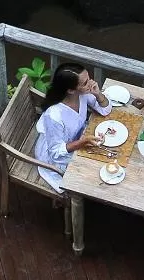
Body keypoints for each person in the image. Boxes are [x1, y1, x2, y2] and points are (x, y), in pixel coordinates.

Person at [34, 62, 111, 193]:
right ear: (70, 90)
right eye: (85, 82)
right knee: (99, 169)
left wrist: (98, 94)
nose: (91, 83)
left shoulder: (83, 94)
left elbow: (105, 110)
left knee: (107, 154)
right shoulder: (54, 116)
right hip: (56, 156)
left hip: (78, 138)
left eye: (89, 78)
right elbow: (56, 153)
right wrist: (82, 142)